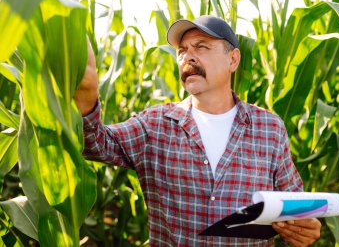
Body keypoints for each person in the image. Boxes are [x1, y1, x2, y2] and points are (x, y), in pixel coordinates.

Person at [74, 15, 321, 247]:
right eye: (182, 50)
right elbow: (95, 143)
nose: (188, 56)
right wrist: (85, 92)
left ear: (233, 60)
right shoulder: (156, 124)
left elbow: (295, 208)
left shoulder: (269, 128)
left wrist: (305, 227)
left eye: (201, 47)